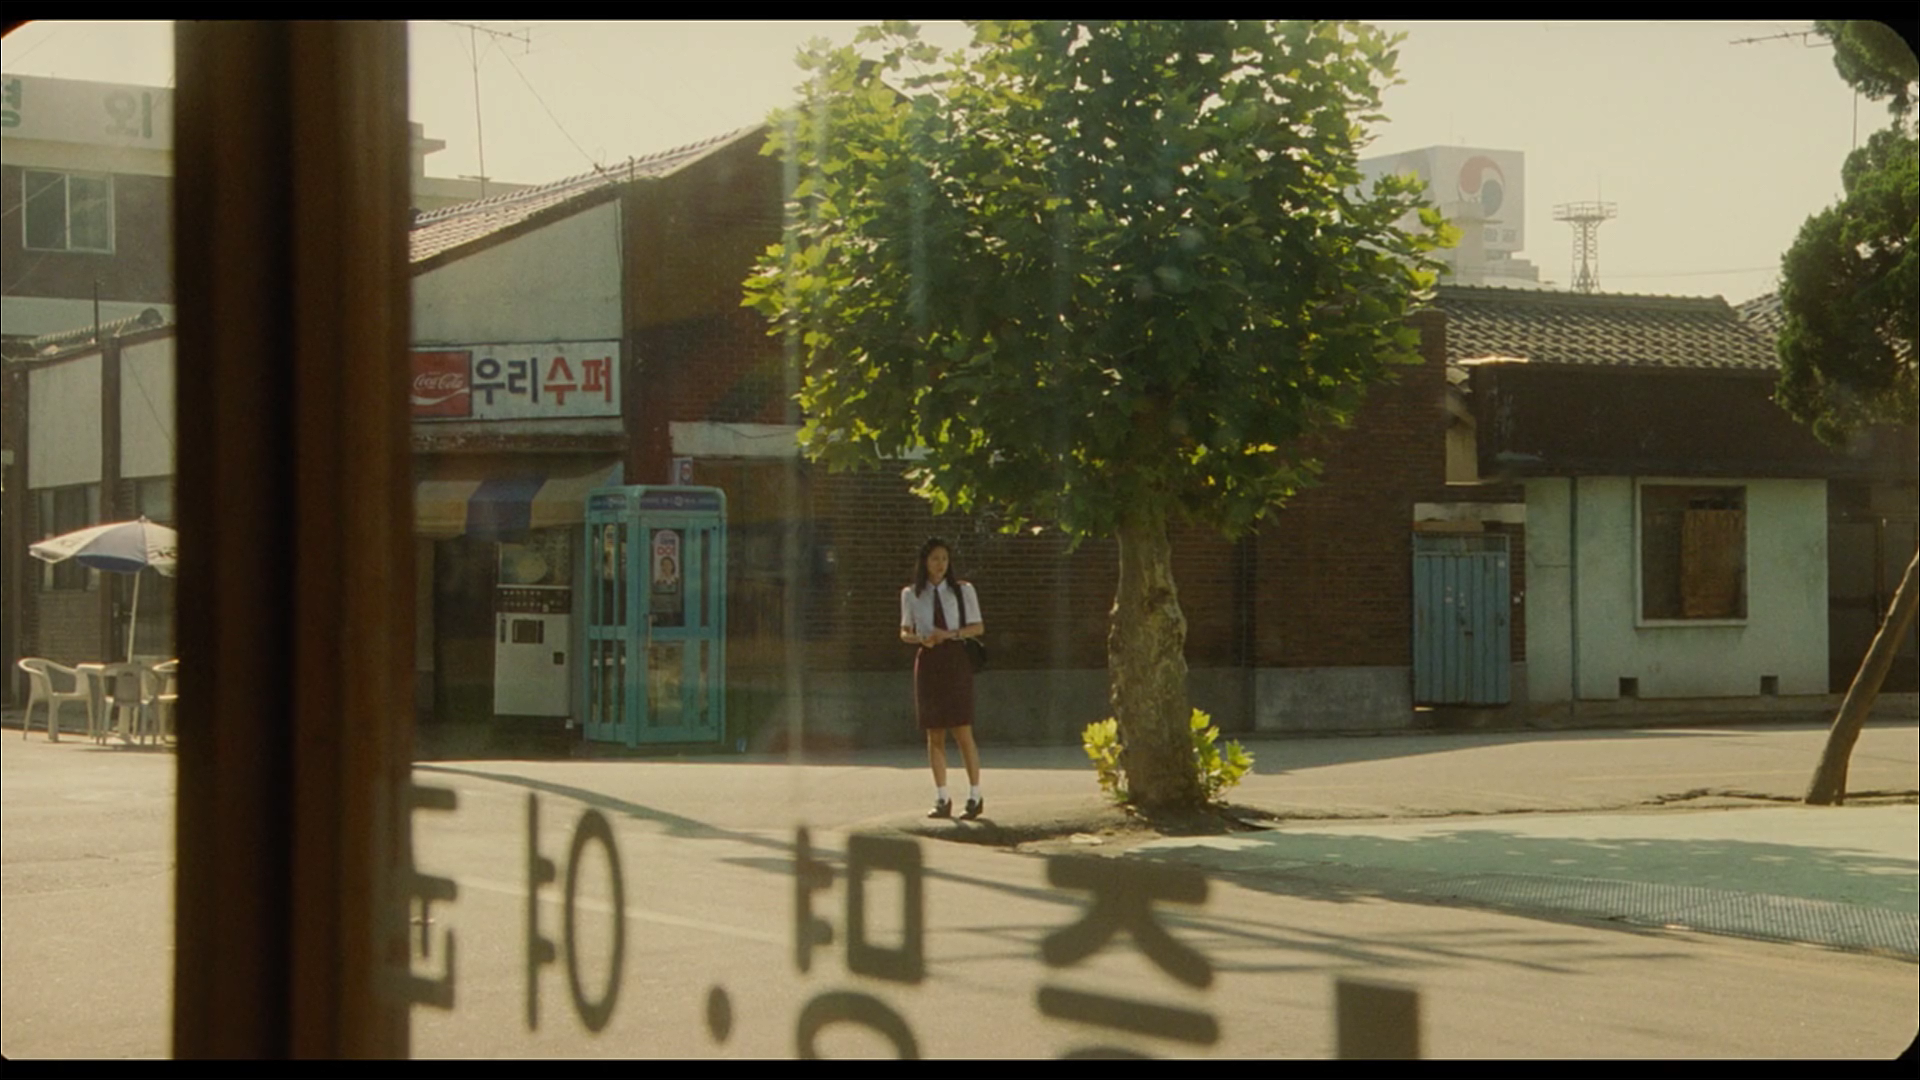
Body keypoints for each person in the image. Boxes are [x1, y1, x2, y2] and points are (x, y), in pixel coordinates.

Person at [899, 536, 985, 819]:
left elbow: (977, 627)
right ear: (925, 562)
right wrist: (920, 638)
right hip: (929, 660)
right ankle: (942, 797)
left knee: (962, 729)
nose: (940, 565)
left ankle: (975, 795)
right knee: (934, 732)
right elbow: (904, 631)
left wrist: (950, 634)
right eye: (935, 559)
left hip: (955, 658)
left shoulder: (963, 591)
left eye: (945, 559)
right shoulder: (911, 594)